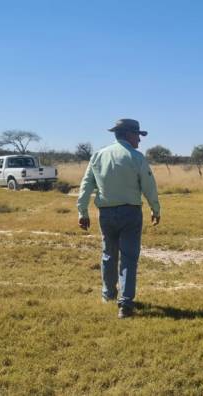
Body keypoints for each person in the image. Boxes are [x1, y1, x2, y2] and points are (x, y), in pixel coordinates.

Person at [77, 119, 161, 319]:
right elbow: (149, 185)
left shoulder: (98, 156)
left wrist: (82, 211)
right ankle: (125, 303)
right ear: (129, 134)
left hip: (105, 213)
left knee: (108, 254)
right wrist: (155, 208)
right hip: (130, 213)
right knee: (129, 258)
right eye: (138, 135)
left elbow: (86, 184)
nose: (139, 140)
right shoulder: (136, 157)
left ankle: (108, 294)